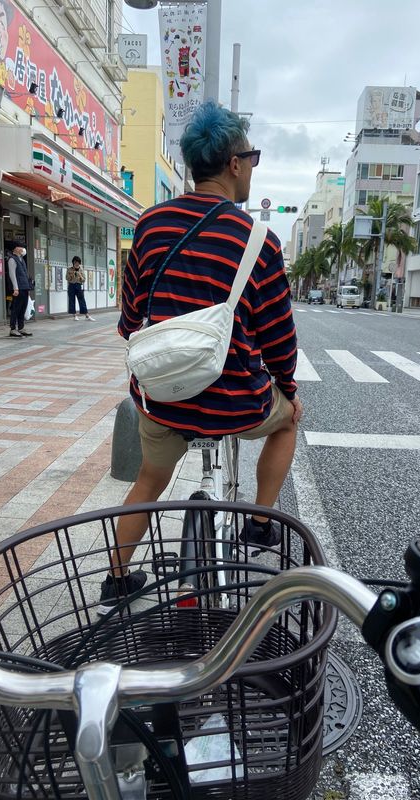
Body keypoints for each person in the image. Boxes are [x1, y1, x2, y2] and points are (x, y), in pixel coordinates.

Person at [98, 101, 302, 611]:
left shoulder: (149, 226)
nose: (253, 167)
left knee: (149, 477)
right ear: (234, 163)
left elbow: (130, 323)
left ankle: (117, 578)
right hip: (237, 401)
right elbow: (279, 343)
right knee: (288, 422)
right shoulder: (260, 241)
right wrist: (289, 393)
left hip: (163, 398)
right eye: (251, 157)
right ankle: (259, 524)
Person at [7, 243, 32, 337]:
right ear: (16, 248)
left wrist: (28, 288)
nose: (23, 249)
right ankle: (13, 329)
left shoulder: (21, 259)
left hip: (25, 287)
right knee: (16, 308)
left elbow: (25, 275)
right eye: (22, 247)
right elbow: (12, 275)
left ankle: (21, 328)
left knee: (22, 309)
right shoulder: (12, 259)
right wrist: (15, 288)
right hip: (18, 288)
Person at [66, 256, 95, 321]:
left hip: (78, 286)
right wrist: (71, 275)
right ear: (73, 262)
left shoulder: (81, 270)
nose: (77, 264)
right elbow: (67, 278)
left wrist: (80, 275)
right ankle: (75, 315)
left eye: (78, 262)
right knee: (72, 301)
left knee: (82, 300)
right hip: (71, 286)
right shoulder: (69, 269)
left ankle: (87, 315)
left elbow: (84, 280)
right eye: (75, 262)